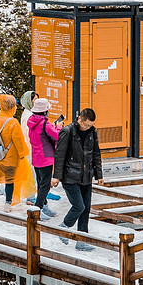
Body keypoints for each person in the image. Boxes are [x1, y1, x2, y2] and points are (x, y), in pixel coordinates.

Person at [52, 107, 102, 250]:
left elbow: (96, 153)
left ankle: (82, 241)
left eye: (90, 125)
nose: (87, 128)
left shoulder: (93, 132)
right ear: (79, 119)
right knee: (79, 206)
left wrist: (99, 175)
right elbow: (59, 155)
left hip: (86, 176)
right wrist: (56, 176)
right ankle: (64, 228)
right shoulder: (67, 131)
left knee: (86, 209)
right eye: (86, 125)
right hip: (70, 176)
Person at [0, 94, 32, 212]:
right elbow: (19, 141)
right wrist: (23, 154)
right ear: (10, 107)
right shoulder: (13, 122)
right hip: (10, 157)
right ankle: (7, 204)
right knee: (9, 181)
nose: (16, 108)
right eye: (15, 106)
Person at [28, 97, 63, 217]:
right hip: (46, 157)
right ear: (44, 111)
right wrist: (58, 126)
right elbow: (58, 136)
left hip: (36, 157)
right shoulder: (45, 123)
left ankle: (44, 205)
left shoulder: (32, 122)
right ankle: (38, 209)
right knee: (45, 185)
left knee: (40, 182)